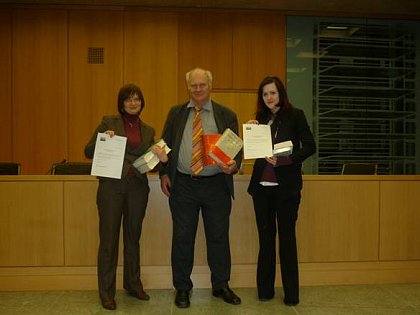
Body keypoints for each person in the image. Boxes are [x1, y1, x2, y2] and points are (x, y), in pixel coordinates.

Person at [159, 68, 242, 308]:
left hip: (216, 185)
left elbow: (236, 148)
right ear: (188, 88)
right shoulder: (176, 114)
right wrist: (164, 173)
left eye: (202, 85)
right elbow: (165, 145)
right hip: (183, 185)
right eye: (193, 85)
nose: (198, 89)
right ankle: (182, 287)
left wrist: (233, 165)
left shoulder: (226, 114)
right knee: (183, 237)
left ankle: (221, 285)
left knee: (218, 236)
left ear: (210, 86)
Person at [84, 83, 168, 311]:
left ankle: (133, 284)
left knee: (133, 238)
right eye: (129, 99)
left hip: (137, 189)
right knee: (109, 241)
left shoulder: (149, 130)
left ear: (142, 103)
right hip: (111, 188)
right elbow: (89, 151)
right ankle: (107, 292)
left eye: (137, 99)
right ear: (121, 103)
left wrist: (162, 158)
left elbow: (150, 162)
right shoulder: (108, 123)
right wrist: (103, 138)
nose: (133, 103)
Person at [247, 76, 316, 306]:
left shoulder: (295, 115)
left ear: (281, 94)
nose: (269, 98)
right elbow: (255, 151)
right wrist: (251, 131)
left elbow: (310, 146)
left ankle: (291, 295)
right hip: (262, 189)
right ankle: (265, 291)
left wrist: (286, 161)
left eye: (273, 93)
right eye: (265, 94)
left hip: (286, 189)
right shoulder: (259, 118)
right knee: (265, 240)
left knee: (287, 241)